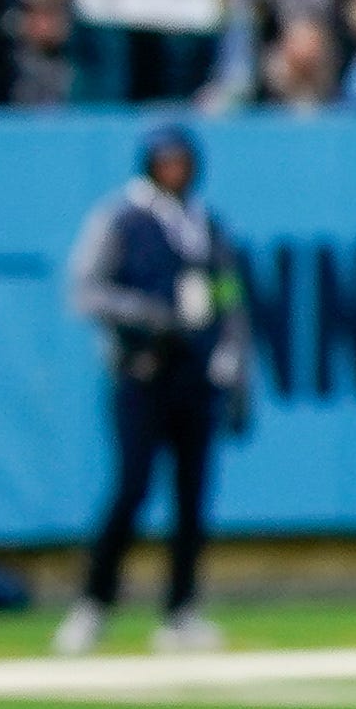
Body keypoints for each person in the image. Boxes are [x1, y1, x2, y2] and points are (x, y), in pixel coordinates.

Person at [56, 123, 249, 655]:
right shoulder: (122, 220)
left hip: (196, 375)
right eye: (166, 163)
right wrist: (146, 316)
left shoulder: (205, 224)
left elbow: (229, 294)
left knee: (192, 497)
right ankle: (93, 604)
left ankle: (180, 610)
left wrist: (234, 360)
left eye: (182, 162)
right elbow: (86, 290)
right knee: (132, 488)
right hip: (141, 372)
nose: (175, 172)